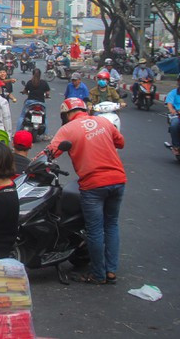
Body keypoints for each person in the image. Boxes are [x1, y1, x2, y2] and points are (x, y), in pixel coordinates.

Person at [48, 98, 126, 285]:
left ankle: (98, 274)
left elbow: (50, 153)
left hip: (94, 184)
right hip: (118, 180)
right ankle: (111, 271)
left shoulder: (68, 129)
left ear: (66, 114)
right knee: (112, 225)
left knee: (95, 229)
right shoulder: (103, 121)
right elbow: (120, 142)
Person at [18, 68, 51, 134]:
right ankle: (46, 134)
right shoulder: (44, 83)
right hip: (41, 103)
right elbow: (48, 93)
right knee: (45, 118)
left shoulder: (30, 82)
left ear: (32, 74)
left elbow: (25, 91)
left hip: (30, 102)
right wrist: (46, 96)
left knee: (22, 116)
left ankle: (17, 132)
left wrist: (23, 92)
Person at [165, 76, 180, 157]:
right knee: (174, 125)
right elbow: (169, 104)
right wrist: (172, 110)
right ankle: (176, 146)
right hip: (177, 115)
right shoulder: (173, 93)